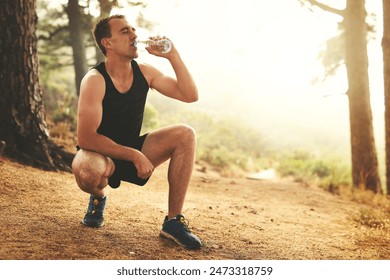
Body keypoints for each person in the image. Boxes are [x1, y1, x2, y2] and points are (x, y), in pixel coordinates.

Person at [71, 14, 202, 250]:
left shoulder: (145, 72)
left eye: (133, 30)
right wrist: (134, 155)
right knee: (91, 170)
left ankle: (173, 222)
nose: (134, 35)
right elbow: (86, 137)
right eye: (125, 31)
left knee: (185, 134)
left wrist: (172, 56)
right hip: (100, 155)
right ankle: (99, 196)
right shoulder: (95, 79)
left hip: (134, 148)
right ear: (107, 43)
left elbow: (189, 95)